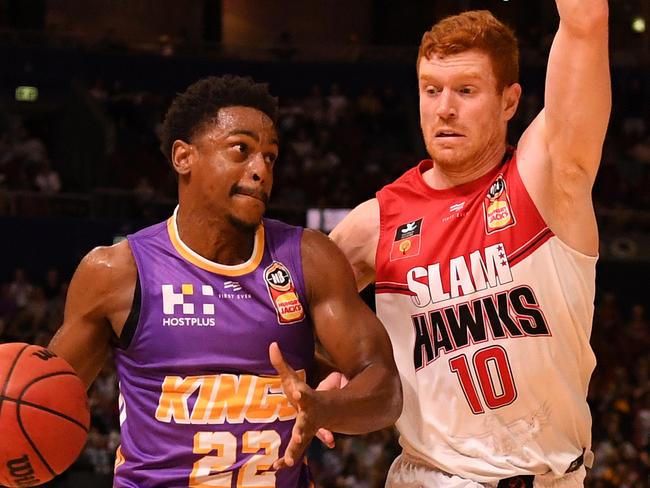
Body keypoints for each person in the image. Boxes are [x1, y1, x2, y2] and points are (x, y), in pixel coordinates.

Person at [48, 75, 402, 487]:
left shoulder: (309, 257)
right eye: (242, 150)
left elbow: (385, 391)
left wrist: (326, 407)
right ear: (184, 157)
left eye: (270, 157)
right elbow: (43, 399)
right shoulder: (116, 273)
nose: (260, 171)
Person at [330, 2, 610, 487]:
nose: (444, 108)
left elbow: (585, 23)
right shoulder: (377, 222)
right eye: (431, 90)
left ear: (508, 101)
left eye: (465, 91)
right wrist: (328, 368)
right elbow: (290, 311)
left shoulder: (546, 180)